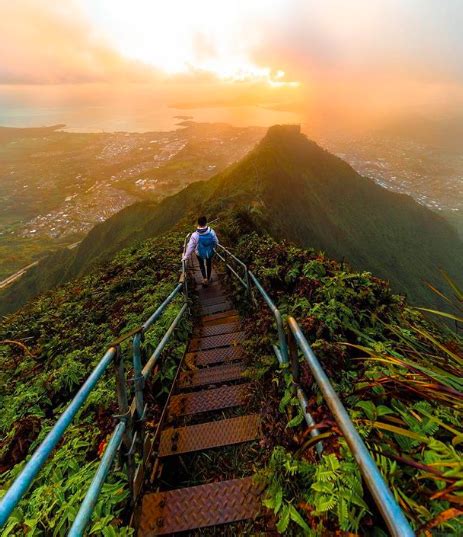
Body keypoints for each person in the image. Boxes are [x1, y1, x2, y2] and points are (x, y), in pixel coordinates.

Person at [182, 216, 219, 286]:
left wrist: (186, 257)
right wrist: (214, 247)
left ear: (198, 224)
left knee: (201, 265)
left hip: (199, 253)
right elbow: (216, 241)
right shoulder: (211, 231)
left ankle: (204, 278)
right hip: (209, 252)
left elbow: (190, 247)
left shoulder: (195, 235)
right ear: (206, 222)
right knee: (208, 264)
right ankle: (208, 278)